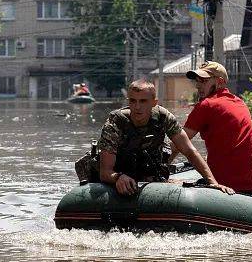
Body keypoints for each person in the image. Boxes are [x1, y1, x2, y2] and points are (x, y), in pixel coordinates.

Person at [97, 79, 234, 197]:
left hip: (150, 176)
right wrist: (118, 178)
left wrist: (213, 183)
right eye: (133, 101)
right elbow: (105, 172)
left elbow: (189, 151)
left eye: (143, 101)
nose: (137, 107)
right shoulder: (116, 122)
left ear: (154, 103)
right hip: (121, 175)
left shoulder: (163, 117)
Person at [175, 61, 252, 194]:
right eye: (197, 81)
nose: (198, 86)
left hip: (226, 187)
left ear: (219, 82)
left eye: (204, 81)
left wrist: (159, 171)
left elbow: (178, 143)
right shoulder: (240, 103)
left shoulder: (206, 105)